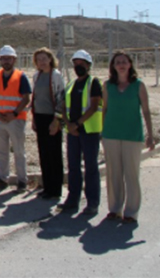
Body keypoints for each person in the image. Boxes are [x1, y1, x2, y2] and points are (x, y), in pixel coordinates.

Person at [102, 51, 155, 224]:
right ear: (113, 66)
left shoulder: (138, 85)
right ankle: (115, 208)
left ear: (130, 64)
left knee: (131, 174)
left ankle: (131, 212)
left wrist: (150, 135)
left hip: (132, 135)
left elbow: (146, 111)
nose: (121, 64)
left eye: (124, 61)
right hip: (111, 134)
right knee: (113, 173)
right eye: (118, 62)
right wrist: (102, 133)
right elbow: (105, 110)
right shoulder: (107, 86)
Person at [58, 49, 103, 215]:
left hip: (89, 132)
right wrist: (68, 124)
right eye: (76, 64)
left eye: (82, 64)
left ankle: (92, 203)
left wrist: (76, 124)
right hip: (73, 132)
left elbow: (94, 106)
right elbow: (64, 107)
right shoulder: (71, 85)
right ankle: (72, 199)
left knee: (91, 168)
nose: (78, 66)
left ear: (88, 65)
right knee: (73, 167)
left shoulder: (94, 83)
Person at [0, 45, 32, 192]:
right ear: (0, 60)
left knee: (19, 151)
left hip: (15, 120)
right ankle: (2, 178)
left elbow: (26, 98)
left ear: (14, 60)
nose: (6, 61)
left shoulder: (21, 76)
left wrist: (15, 113)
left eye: (9, 58)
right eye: (4, 58)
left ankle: (22, 181)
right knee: (1, 151)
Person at [30, 47, 65, 200]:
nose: (42, 62)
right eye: (39, 60)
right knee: (43, 153)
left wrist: (56, 120)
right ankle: (47, 186)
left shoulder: (56, 76)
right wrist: (33, 119)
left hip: (52, 118)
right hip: (40, 117)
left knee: (54, 154)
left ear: (50, 59)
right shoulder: (36, 76)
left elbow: (61, 99)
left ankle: (56, 189)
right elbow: (36, 98)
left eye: (44, 59)